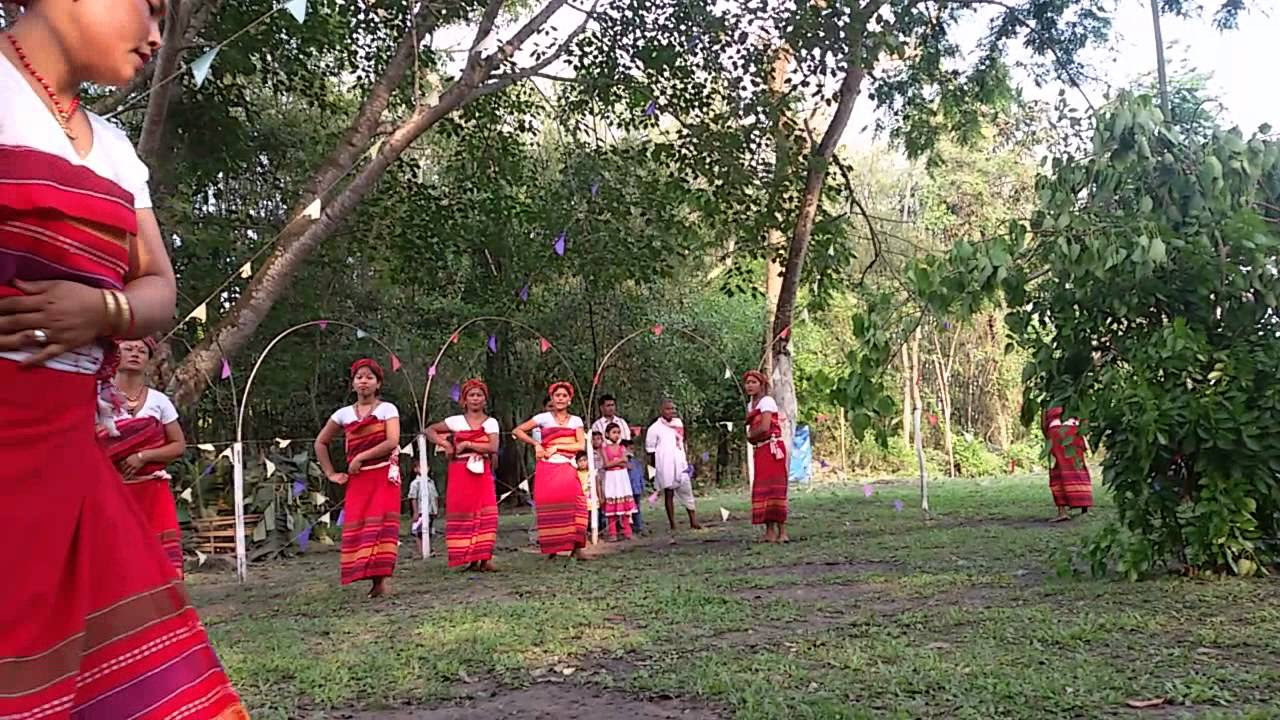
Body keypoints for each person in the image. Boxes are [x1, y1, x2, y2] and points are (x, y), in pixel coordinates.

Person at [0, 2, 248, 716]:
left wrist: (100, 311)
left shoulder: (113, 149)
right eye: (150, 8)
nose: (155, 37)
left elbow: (159, 288)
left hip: (74, 466)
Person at [99, 337, 188, 576]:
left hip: (152, 491)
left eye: (142, 351)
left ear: (149, 360)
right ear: (114, 355)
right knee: (114, 558)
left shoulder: (160, 401)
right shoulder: (97, 398)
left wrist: (142, 455)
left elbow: (178, 445)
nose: (135, 353)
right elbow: (89, 444)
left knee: (161, 561)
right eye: (128, 349)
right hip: (110, 491)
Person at [314, 359, 402, 597]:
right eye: (359, 377)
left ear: (378, 383)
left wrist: (361, 456)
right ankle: (368, 577)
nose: (364, 381)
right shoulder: (342, 414)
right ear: (353, 383)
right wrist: (331, 473)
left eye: (369, 377)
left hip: (383, 475)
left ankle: (381, 581)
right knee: (362, 527)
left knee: (382, 527)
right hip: (358, 480)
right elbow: (320, 442)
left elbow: (392, 441)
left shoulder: (387, 409)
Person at [425, 378, 500, 571]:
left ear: (485, 399)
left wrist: (468, 444)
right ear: (464, 400)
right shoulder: (455, 421)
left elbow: (493, 446)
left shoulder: (491, 423)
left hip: (481, 470)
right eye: (471, 395)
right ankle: (469, 557)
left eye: (479, 395)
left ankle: (485, 557)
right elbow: (429, 430)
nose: (475, 399)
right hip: (460, 470)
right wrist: (446, 444)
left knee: (485, 510)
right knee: (463, 510)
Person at [513, 382, 589, 560]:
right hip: (547, 467)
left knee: (577, 506)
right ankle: (553, 549)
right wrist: (537, 444)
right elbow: (517, 431)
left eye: (564, 396)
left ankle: (577, 548)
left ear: (570, 400)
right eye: (557, 396)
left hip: (567, 466)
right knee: (550, 506)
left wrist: (557, 446)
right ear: (552, 399)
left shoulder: (576, 421)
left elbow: (580, 444)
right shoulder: (542, 418)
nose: (560, 399)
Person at [744, 370, 789, 543]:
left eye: (753, 382)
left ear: (761, 384)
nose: (750, 386)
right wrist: (752, 437)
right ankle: (769, 531)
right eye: (747, 383)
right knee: (764, 489)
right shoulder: (751, 406)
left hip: (772, 448)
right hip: (761, 450)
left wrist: (750, 437)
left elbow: (764, 427)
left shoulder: (767, 402)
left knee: (776, 487)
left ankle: (782, 531)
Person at [645, 399, 702, 535]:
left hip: (680, 461)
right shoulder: (654, 428)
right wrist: (654, 470)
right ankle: (672, 523)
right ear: (661, 410)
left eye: (672, 409)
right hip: (665, 464)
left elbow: (682, 441)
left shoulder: (678, 423)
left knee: (687, 489)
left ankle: (693, 520)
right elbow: (650, 451)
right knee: (669, 493)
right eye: (667, 409)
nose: (671, 411)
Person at [1043, 406, 1093, 522]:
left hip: (1054, 431)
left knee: (1059, 468)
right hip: (1073, 430)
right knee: (1077, 465)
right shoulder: (1075, 393)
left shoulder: (1049, 398)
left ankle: (1062, 511)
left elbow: (1044, 421)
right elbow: (1084, 417)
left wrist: (1049, 438)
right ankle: (1084, 508)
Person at [601, 423, 637, 540]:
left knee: (625, 504)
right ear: (607, 434)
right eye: (614, 432)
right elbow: (606, 464)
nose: (616, 435)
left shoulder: (622, 448)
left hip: (622, 477)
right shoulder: (604, 449)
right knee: (612, 503)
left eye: (618, 432)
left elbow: (626, 462)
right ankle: (612, 532)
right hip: (611, 477)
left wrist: (618, 461)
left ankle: (627, 531)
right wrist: (620, 460)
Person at [406, 459, 439, 556]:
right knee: (418, 531)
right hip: (420, 511)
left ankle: (429, 549)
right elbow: (413, 498)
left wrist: (435, 509)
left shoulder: (431, 482)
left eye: (427, 467)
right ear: (416, 469)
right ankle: (421, 551)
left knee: (429, 531)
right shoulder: (415, 483)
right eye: (421, 467)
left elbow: (435, 496)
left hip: (430, 511)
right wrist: (415, 512)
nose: (425, 469)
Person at [622, 438, 646, 534]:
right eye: (629, 449)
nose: (631, 451)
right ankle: (625, 526)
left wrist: (641, 486)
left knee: (636, 507)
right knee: (625, 509)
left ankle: (638, 525)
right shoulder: (622, 462)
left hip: (635, 489)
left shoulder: (635, 462)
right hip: (626, 489)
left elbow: (639, 474)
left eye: (632, 449)